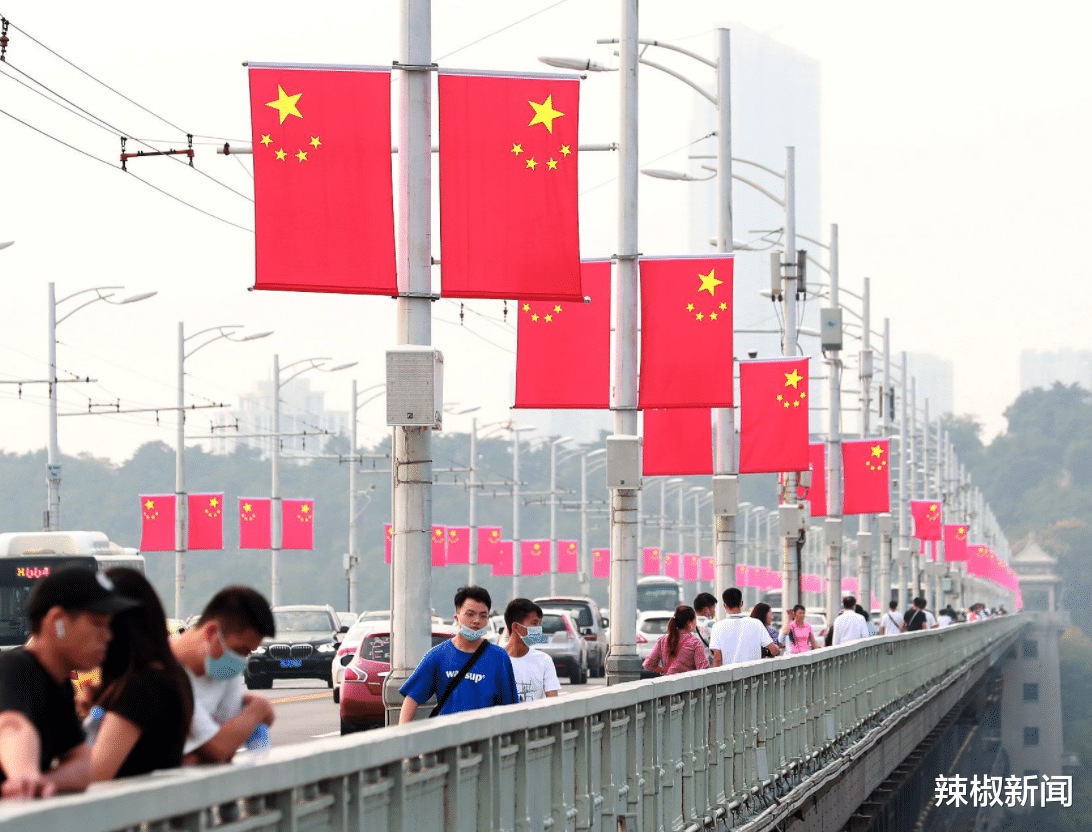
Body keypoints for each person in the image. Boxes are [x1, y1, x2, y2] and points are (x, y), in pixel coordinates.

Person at [0, 566, 137, 798]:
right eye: (97, 623)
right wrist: (23, 775)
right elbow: (12, 725)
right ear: (57, 621)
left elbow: (82, 764)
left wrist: (41, 782)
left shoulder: (59, 684)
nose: (108, 635)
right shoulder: (14, 667)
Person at [87, 568, 194, 781]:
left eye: (100, 622)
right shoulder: (170, 673)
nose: (99, 633)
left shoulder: (145, 685)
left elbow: (96, 772)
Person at [171, 585, 277, 764]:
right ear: (211, 632)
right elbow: (219, 749)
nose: (242, 659)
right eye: (240, 650)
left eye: (248, 653)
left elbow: (228, 747)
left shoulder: (225, 671)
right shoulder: (165, 673)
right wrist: (259, 709)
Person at [399, 586, 518, 722]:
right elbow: (412, 699)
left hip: (485, 739)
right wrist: (402, 735)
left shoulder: (499, 657)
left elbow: (510, 707)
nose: (477, 621)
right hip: (447, 737)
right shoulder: (438, 655)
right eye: (470, 614)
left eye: (483, 616)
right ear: (457, 617)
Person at [503, 598, 560, 703]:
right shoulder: (496, 659)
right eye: (534, 623)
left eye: (539, 624)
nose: (538, 628)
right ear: (516, 627)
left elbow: (554, 702)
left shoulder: (544, 661)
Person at [709, 588, 777, 666]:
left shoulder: (717, 626)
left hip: (730, 676)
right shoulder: (756, 623)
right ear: (741, 603)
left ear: (725, 606)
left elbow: (717, 658)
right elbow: (774, 650)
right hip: (753, 675)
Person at [642, 605, 709, 675]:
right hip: (687, 684)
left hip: (667, 682)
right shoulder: (695, 643)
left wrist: (664, 670)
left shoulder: (662, 640)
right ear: (689, 623)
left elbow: (648, 664)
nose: (696, 622)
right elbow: (703, 669)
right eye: (695, 619)